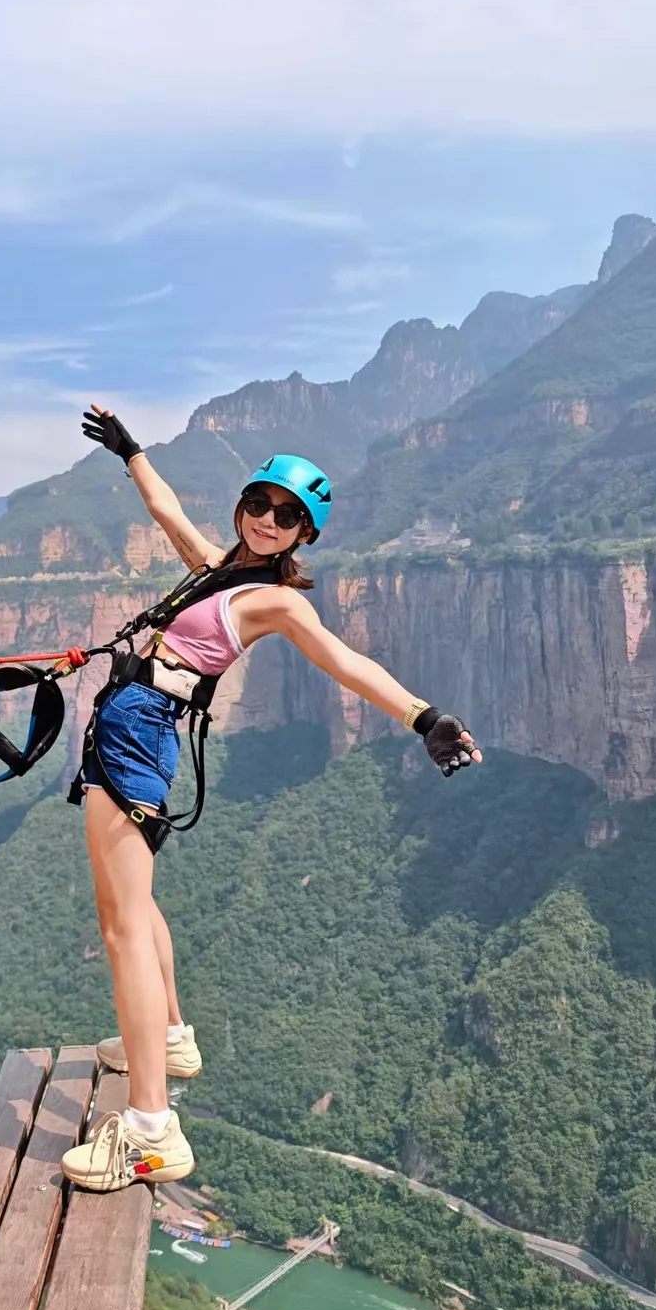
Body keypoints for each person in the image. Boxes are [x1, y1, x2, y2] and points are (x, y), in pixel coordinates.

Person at [60, 405, 481, 1193]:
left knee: (120, 927)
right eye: (261, 502)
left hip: (139, 735)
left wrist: (423, 717)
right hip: (126, 726)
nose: (268, 519)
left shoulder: (277, 602)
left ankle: (150, 1132)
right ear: (244, 505)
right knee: (138, 904)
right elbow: (167, 511)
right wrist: (131, 451)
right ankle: (172, 1035)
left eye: (288, 516)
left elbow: (348, 662)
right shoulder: (216, 567)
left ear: (303, 536)